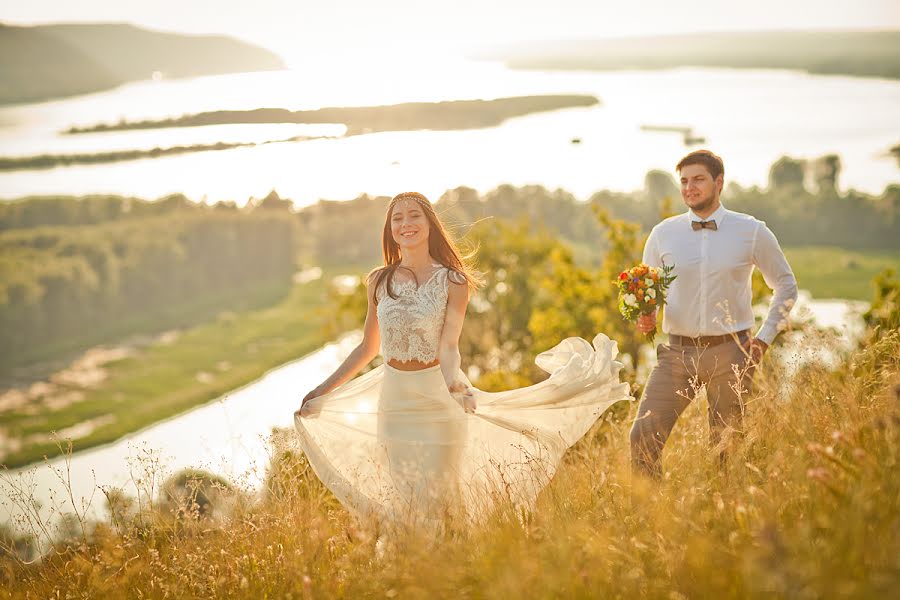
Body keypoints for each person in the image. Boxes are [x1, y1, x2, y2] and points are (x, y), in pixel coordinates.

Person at [294, 191, 632, 529]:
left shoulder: (453, 281)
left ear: (429, 225)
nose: (405, 223)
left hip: (438, 402)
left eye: (414, 216)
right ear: (390, 229)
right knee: (407, 503)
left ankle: (454, 571)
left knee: (441, 502)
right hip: (394, 406)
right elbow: (367, 348)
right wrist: (322, 391)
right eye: (397, 218)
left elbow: (449, 346)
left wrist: (456, 386)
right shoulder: (378, 281)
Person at [631, 150, 798, 478]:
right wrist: (646, 314)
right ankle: (648, 516)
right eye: (684, 181)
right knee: (642, 437)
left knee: (726, 451)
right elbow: (648, 290)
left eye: (698, 179)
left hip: (732, 353)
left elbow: (787, 286)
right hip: (677, 354)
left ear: (719, 182)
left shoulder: (751, 231)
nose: (689, 187)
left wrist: (763, 341)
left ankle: (721, 520)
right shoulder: (663, 233)